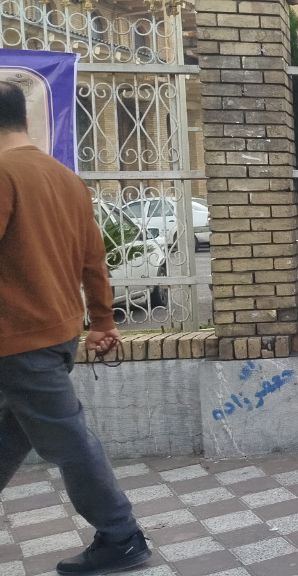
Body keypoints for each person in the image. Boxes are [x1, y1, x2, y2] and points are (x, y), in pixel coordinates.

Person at [0, 80, 151, 574]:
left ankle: (121, 535)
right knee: (14, 429)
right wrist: (103, 320)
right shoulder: (65, 178)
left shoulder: (3, 174)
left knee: (69, 440)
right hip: (57, 333)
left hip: (19, 339)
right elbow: (93, 258)